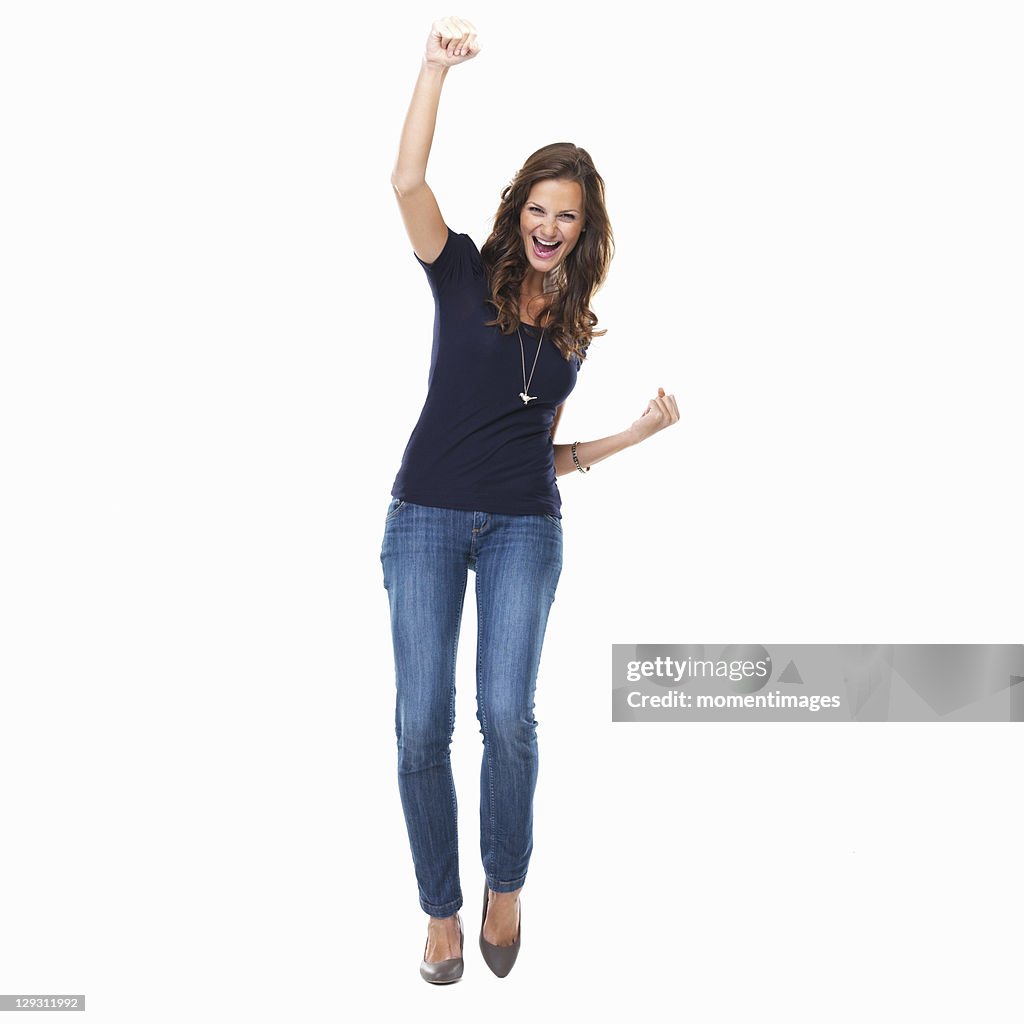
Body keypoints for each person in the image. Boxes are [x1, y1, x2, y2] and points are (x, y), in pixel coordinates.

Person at [381, 16, 680, 984]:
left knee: (505, 712)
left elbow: (535, 450)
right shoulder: (459, 269)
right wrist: (433, 71)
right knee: (422, 722)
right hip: (424, 514)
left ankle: (504, 883)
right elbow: (406, 184)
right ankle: (440, 909)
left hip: (523, 528)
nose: (550, 229)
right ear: (519, 210)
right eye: (539, 210)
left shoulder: (576, 330)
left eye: (568, 218)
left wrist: (629, 437)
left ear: (583, 229)